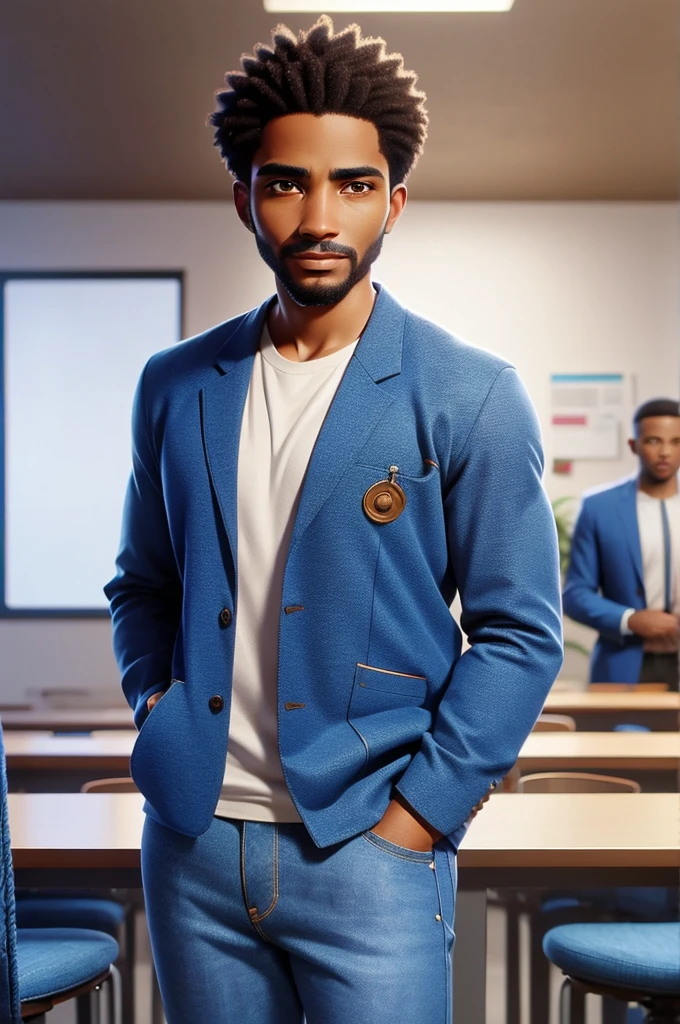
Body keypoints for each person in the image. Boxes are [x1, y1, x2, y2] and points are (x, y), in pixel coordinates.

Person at [105, 17, 562, 1023]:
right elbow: (141, 582)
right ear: (244, 200)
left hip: (367, 843)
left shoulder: (469, 392)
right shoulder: (175, 385)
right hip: (192, 845)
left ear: (393, 201)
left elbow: (520, 631)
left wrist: (419, 817)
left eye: (353, 185)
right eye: (286, 182)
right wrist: (154, 707)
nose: (319, 215)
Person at [563, 397, 680, 690]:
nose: (665, 452)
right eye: (654, 441)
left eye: (676, 441)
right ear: (634, 445)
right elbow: (576, 594)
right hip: (624, 666)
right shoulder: (598, 507)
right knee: (624, 735)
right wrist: (631, 619)